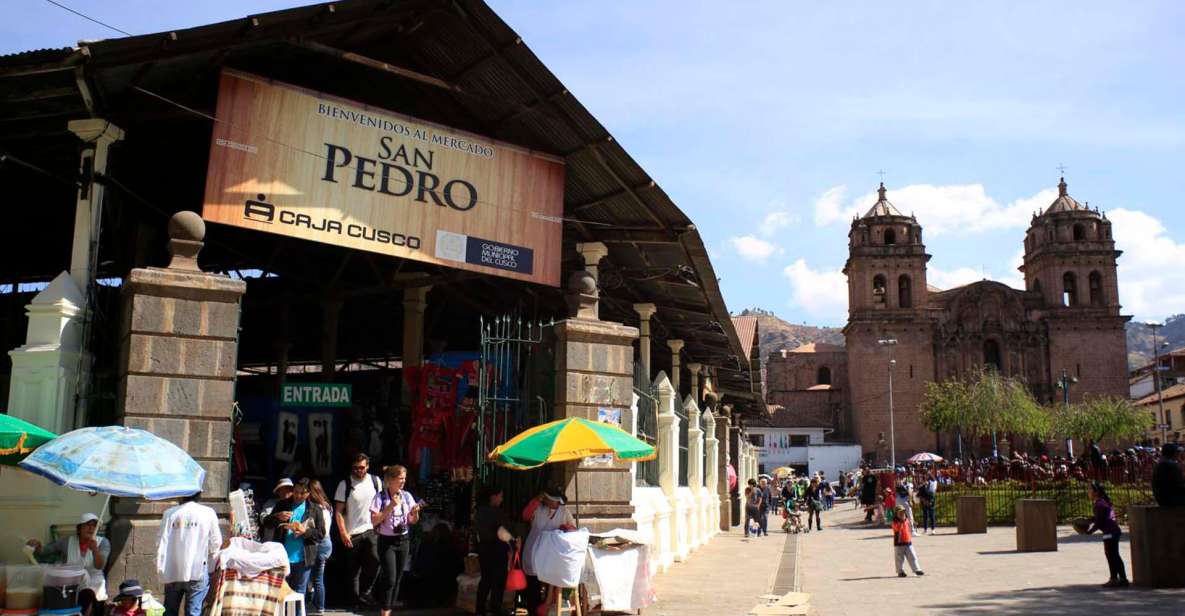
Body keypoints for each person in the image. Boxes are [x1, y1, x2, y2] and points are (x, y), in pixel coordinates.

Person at [27, 512, 110, 616]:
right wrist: (37, 545)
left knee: (88, 593)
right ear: (79, 528)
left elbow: (100, 566)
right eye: (87, 525)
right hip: (71, 579)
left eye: (94, 525)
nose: (91, 528)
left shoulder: (103, 542)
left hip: (93, 579)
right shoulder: (66, 541)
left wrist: (95, 550)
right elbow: (44, 552)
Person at [263, 478, 325, 615]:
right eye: (295, 492)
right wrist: (277, 517)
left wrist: (305, 532)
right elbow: (266, 523)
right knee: (280, 591)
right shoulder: (283, 504)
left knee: (299, 592)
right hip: (282, 557)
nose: (297, 496)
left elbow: (320, 534)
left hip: (303, 558)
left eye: (302, 493)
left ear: (308, 493)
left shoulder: (315, 509)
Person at [157, 493, 222, 616]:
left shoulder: (170, 513)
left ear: (181, 496)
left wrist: (162, 570)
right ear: (199, 495)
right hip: (197, 569)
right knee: (193, 612)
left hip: (172, 570)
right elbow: (216, 543)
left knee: (170, 611)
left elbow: (160, 542)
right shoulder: (208, 512)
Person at [371, 465, 422, 615]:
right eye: (400, 478)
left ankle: (389, 608)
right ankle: (385, 610)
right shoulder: (380, 497)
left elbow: (412, 521)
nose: (403, 482)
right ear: (391, 480)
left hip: (403, 540)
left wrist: (415, 513)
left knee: (398, 578)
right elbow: (374, 521)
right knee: (390, 578)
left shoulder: (406, 496)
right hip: (387, 541)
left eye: (404, 478)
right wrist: (391, 506)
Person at [335, 453, 383, 607]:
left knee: (375, 561)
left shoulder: (376, 481)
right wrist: (343, 533)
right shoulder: (345, 484)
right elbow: (338, 511)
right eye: (355, 468)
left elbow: (382, 504)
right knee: (353, 570)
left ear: (367, 466)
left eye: (362, 467)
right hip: (352, 532)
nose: (359, 471)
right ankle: (355, 601)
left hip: (371, 529)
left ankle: (366, 593)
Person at [521, 487, 576, 614]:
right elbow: (525, 516)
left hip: (552, 556)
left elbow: (573, 528)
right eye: (546, 498)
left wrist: (565, 528)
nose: (548, 502)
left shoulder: (564, 512)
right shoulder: (538, 508)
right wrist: (536, 501)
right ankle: (533, 611)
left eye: (551, 499)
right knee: (533, 586)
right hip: (534, 552)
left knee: (550, 587)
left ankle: (546, 610)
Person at [474, 485, 515, 616]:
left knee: (486, 580)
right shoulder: (496, 513)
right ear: (493, 497)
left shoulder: (479, 511)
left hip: (484, 550)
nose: (502, 499)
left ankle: (480, 609)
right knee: (498, 582)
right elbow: (506, 531)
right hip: (497, 551)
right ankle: (495, 610)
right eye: (500, 496)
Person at [1086, 481, 1128, 587]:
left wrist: (1089, 531)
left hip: (1110, 532)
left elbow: (1100, 522)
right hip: (1113, 531)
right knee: (1113, 555)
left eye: (1090, 489)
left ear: (1096, 492)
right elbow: (1101, 518)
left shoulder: (1099, 504)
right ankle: (1120, 578)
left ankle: (1116, 579)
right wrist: (1091, 520)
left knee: (1112, 555)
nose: (1088, 492)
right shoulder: (1101, 502)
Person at [306, 480, 334, 615]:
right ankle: (320, 608)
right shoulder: (327, 507)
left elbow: (313, 529)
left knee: (312, 577)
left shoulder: (314, 508)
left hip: (318, 541)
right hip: (327, 542)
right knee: (318, 577)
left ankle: (311, 605)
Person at [891, 505, 924, 577]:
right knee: (899, 558)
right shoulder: (895, 522)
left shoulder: (906, 520)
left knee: (912, 556)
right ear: (896, 514)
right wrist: (901, 522)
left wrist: (913, 524)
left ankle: (917, 569)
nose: (902, 514)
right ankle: (900, 571)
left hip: (908, 541)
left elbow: (909, 527)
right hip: (898, 543)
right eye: (900, 513)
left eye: (903, 512)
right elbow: (897, 529)